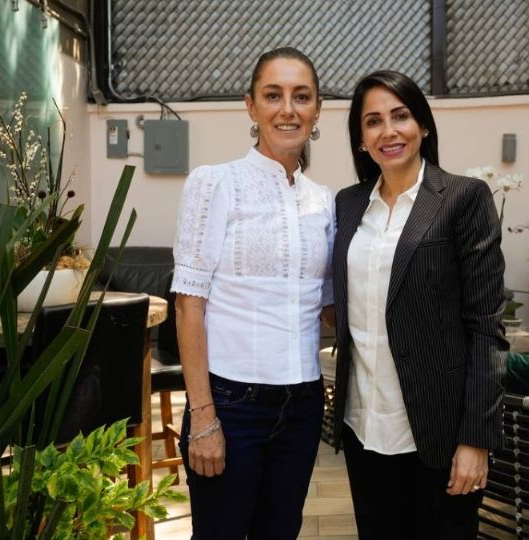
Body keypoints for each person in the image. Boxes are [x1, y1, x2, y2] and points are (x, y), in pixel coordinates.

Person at [332, 70, 508, 539]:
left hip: (439, 430)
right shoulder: (347, 206)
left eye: (400, 116)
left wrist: (476, 440)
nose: (388, 131)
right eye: (372, 122)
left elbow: (487, 328)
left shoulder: (463, 198)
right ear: (360, 140)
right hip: (363, 422)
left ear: (423, 126)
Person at [171, 47, 334, 540]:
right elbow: (188, 304)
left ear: (317, 109)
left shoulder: (324, 201)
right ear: (251, 106)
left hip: (304, 402)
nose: (288, 109)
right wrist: (203, 417)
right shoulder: (215, 183)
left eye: (301, 96)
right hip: (230, 403)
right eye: (273, 95)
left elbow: (327, 308)